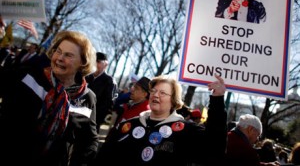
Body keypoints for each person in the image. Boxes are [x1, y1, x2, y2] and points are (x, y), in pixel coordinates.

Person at [0, 30, 99, 166]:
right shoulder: (28, 76)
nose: (59, 58)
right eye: (58, 51)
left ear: (83, 62)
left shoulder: (87, 98)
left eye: (68, 55)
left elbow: (89, 140)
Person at [96, 74, 227, 165]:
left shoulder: (186, 131)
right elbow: (103, 158)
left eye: (162, 93)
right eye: (153, 91)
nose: (156, 95)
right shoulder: (127, 125)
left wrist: (217, 101)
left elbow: (215, 148)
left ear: (174, 100)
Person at [85, 52, 117, 134]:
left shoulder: (109, 81)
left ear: (105, 65)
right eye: (93, 61)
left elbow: (107, 105)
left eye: (98, 62)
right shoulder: (87, 77)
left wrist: (93, 119)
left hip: (92, 120)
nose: (95, 64)